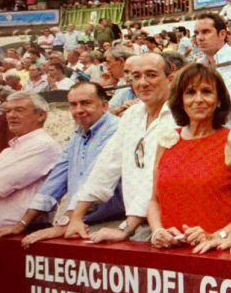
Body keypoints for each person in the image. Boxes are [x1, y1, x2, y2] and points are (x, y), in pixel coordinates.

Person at [0, 83, 124, 248]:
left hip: (114, 223)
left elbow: (93, 178)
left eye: (86, 103)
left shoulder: (116, 129)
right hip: (83, 221)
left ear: (104, 105)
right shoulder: (78, 135)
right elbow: (55, 181)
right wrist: (22, 223)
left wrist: (65, 223)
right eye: (73, 105)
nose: (78, 110)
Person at [65, 53, 177, 243]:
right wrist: (76, 216)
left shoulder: (180, 116)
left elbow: (155, 180)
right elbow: (106, 167)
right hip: (139, 225)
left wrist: (126, 228)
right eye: (136, 77)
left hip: (171, 225)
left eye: (151, 75)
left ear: (170, 79)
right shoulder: (131, 115)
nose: (142, 83)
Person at [148, 63, 231, 252]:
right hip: (174, 252)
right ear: (180, 100)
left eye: (206, 92)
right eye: (190, 92)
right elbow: (154, 200)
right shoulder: (166, 141)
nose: (199, 99)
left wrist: (220, 235)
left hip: (221, 250)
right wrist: (157, 231)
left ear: (219, 100)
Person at [0, 92, 61, 231]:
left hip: (27, 232)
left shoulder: (43, 145)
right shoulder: (8, 151)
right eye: (8, 111)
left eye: (19, 110)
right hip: (2, 233)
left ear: (41, 115)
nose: (11, 115)